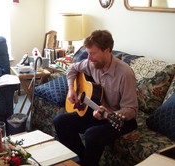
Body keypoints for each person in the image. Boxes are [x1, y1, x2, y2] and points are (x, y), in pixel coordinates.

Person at [53, 30, 138, 166]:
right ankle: (83, 160)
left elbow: (132, 109)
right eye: (88, 53)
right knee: (60, 121)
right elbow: (72, 69)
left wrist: (110, 114)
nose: (89, 58)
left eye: (93, 53)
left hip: (120, 119)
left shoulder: (125, 73)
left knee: (91, 135)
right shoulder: (92, 63)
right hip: (98, 111)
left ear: (107, 50)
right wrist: (71, 89)